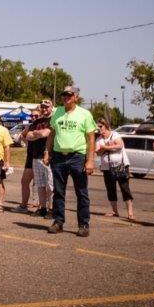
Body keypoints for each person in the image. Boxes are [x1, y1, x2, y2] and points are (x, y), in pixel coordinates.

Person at [43, 86, 96, 236]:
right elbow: (52, 134)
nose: (66, 97)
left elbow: (91, 138)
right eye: (64, 94)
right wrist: (47, 152)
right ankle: (58, 221)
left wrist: (90, 160)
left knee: (81, 192)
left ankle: (83, 224)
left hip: (77, 156)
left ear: (76, 97)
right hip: (59, 156)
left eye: (69, 94)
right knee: (58, 191)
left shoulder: (84, 114)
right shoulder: (58, 112)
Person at [95, 118, 135, 221]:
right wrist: (108, 147)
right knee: (110, 189)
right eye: (97, 127)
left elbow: (120, 145)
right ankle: (114, 211)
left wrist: (104, 147)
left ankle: (130, 213)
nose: (99, 129)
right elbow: (98, 152)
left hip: (120, 166)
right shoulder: (99, 139)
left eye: (100, 126)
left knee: (125, 188)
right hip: (106, 168)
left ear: (106, 126)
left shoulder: (115, 135)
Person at [25, 100, 54, 217]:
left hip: (48, 156)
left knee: (51, 185)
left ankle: (51, 209)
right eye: (42, 107)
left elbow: (47, 133)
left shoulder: (53, 120)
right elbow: (28, 135)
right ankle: (42, 208)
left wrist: (36, 133)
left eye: (47, 107)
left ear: (51, 107)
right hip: (36, 156)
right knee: (40, 184)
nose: (44, 109)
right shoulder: (36, 121)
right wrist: (38, 133)